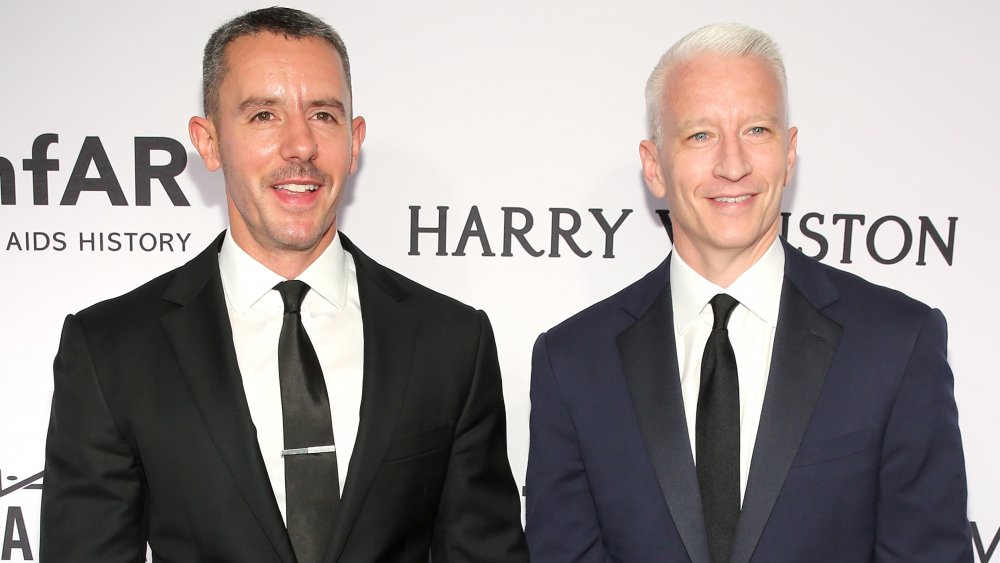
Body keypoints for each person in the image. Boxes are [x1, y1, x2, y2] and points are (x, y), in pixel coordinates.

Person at [39, 7, 527, 562]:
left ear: (354, 137)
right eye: (263, 115)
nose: (300, 145)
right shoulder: (112, 348)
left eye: (323, 114)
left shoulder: (450, 341)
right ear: (209, 141)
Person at [524, 22, 972, 563]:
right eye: (700, 135)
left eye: (757, 130)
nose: (732, 165)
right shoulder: (574, 362)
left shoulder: (896, 344)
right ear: (653, 166)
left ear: (789, 152)